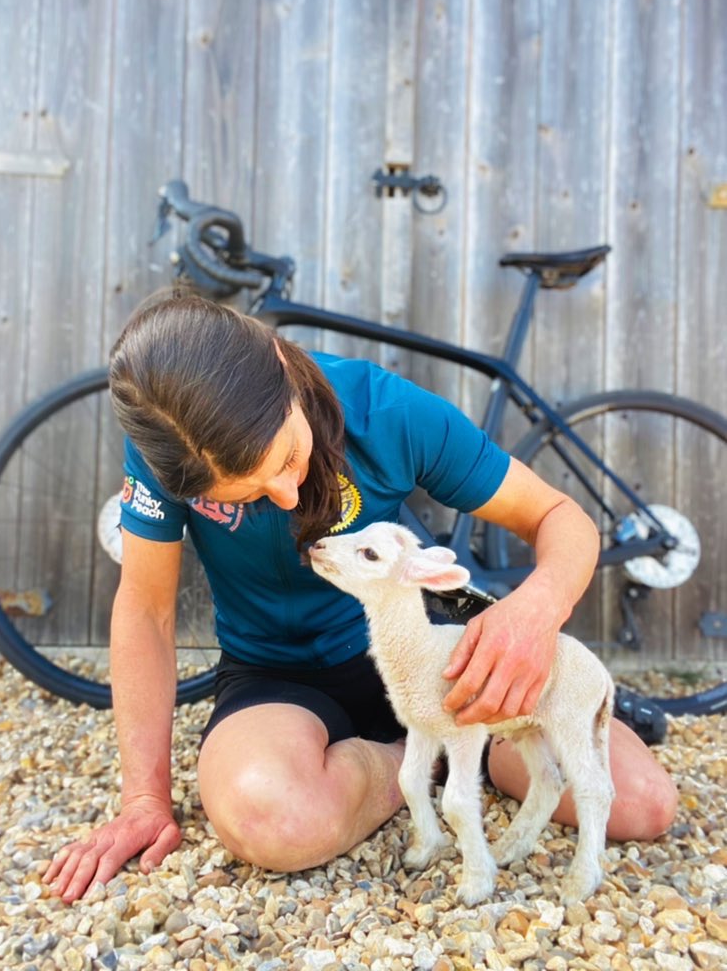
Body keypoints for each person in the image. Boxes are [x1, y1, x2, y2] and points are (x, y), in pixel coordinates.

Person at [44, 297, 677, 902]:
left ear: (282, 365)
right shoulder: (167, 442)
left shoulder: (386, 410)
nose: (289, 498)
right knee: (270, 818)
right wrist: (145, 803)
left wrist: (535, 613)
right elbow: (147, 611)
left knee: (643, 804)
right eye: (246, 496)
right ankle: (421, 763)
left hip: (438, 658)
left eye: (288, 457)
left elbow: (559, 517)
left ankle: (454, 751)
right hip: (277, 674)